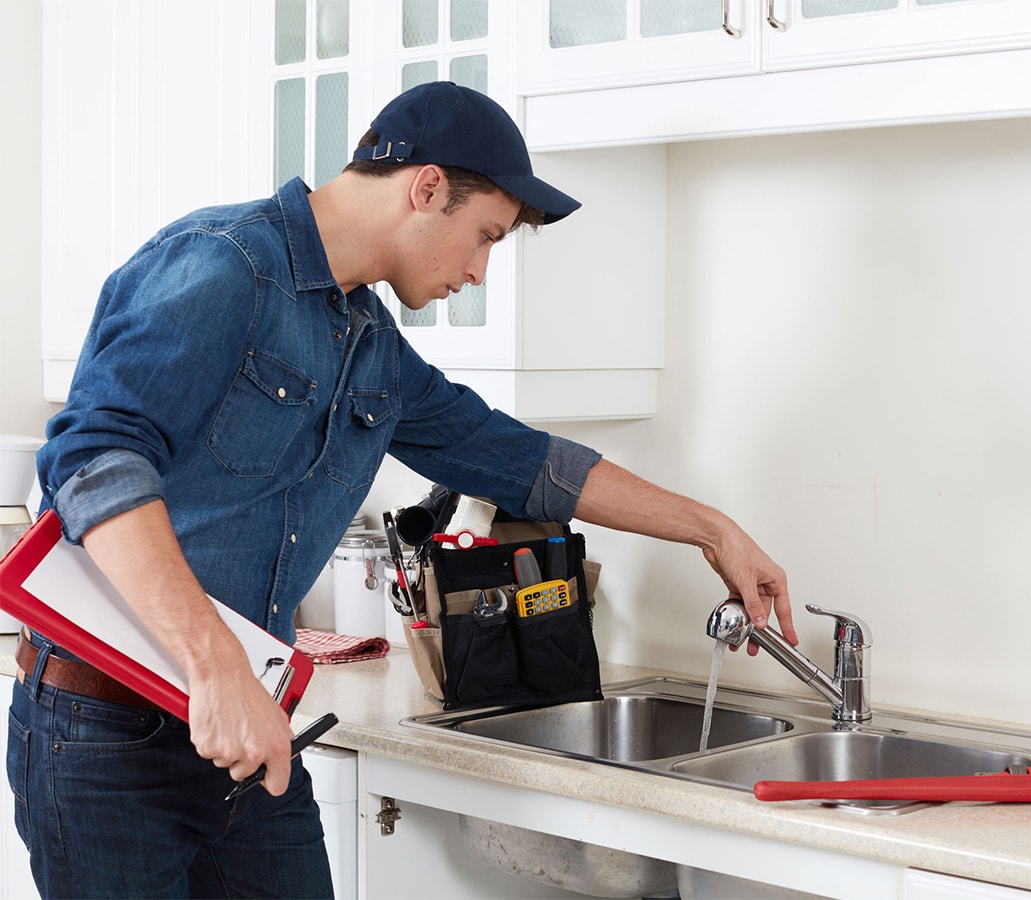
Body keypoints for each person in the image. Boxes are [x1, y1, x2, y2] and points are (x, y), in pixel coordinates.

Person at [7, 82, 795, 898]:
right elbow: (93, 458)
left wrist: (712, 529)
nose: (479, 271)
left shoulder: (371, 346)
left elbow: (524, 462)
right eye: (484, 236)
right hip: (105, 738)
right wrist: (215, 666)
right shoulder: (224, 265)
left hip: (251, 730)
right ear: (425, 188)